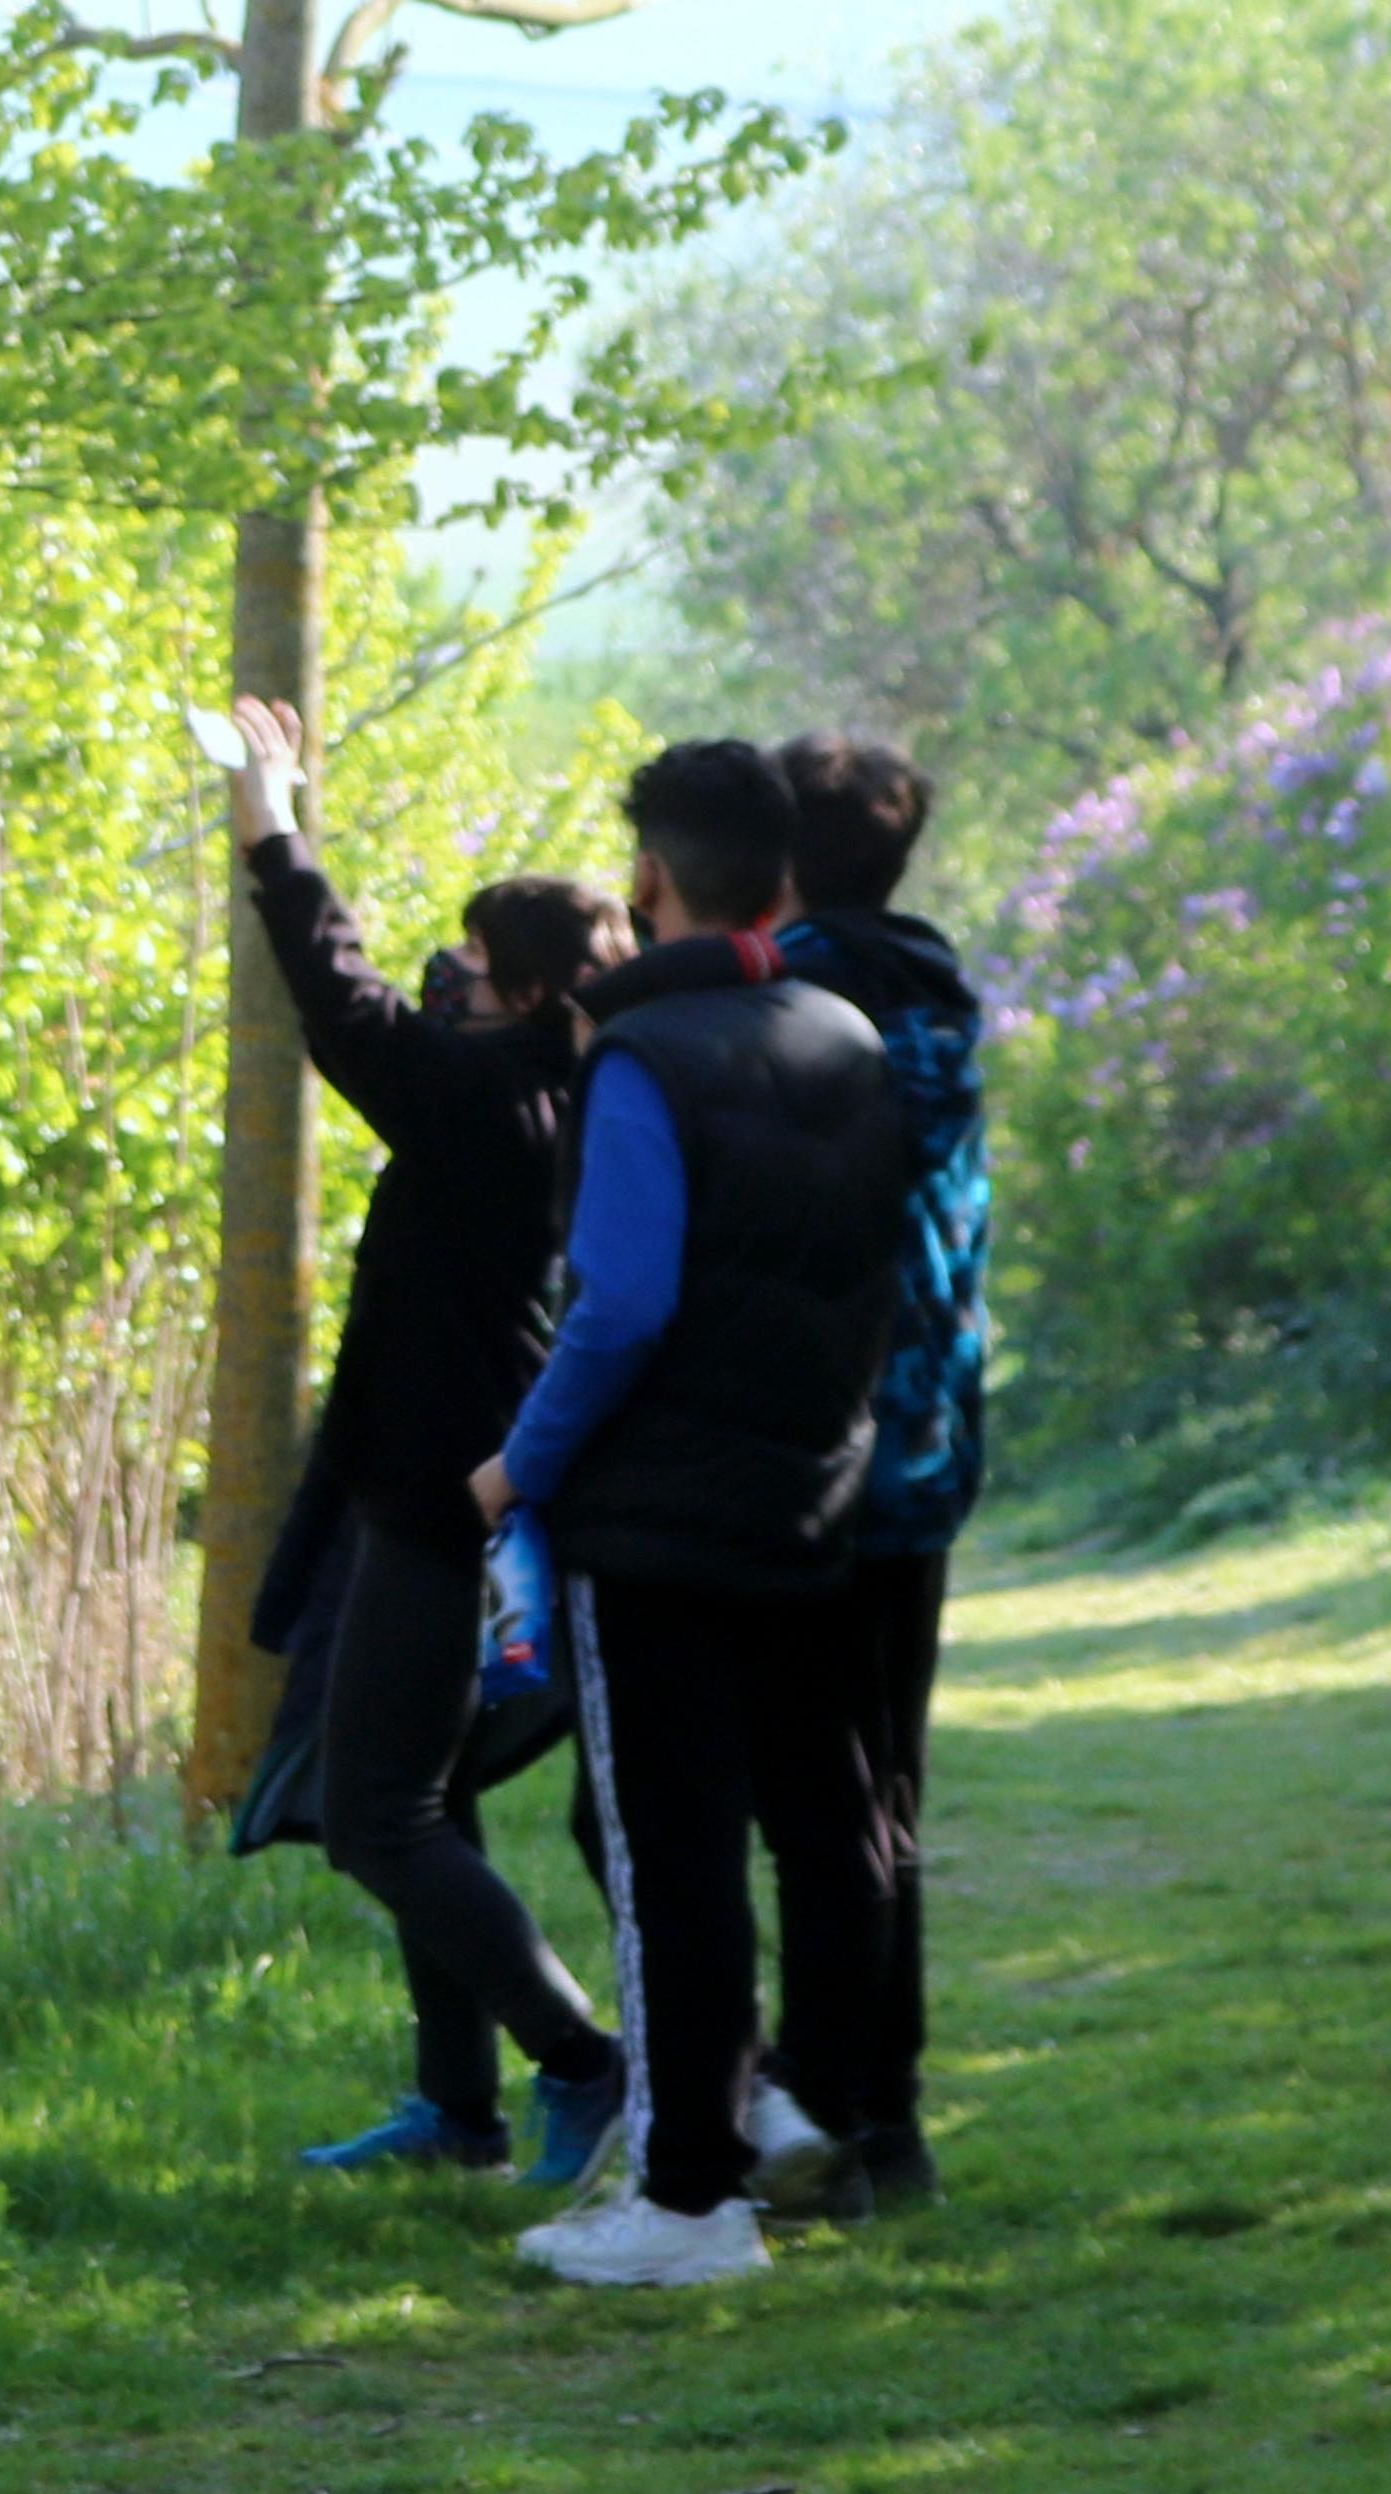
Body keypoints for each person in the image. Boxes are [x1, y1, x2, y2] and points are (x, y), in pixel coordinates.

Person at [469, 738, 912, 2288]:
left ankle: (687, 2203)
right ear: (782, 879)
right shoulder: (852, 1038)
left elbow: (621, 1302)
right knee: (831, 1822)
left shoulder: (643, 1064)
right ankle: (816, 2106)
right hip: (817, 1494)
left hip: (655, 1521)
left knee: (669, 1858)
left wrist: (519, 1462)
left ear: (647, 880)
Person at [214, 693, 630, 2190]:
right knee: (428, 1797)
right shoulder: (546, 1086)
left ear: (519, 995)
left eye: (465, 969)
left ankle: (582, 2063)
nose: (441, 983)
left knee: (379, 1815)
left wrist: (272, 826)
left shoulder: (489, 1100)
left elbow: (343, 1001)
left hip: (446, 1501)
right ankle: (458, 2110)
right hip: (447, 1482)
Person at [566, 735, 984, 2216]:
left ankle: (758, 2107)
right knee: (872, 1802)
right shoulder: (939, 998)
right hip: (926, 1439)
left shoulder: (774, 1005)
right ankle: (877, 2116)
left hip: (794, 1445)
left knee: (708, 1812)